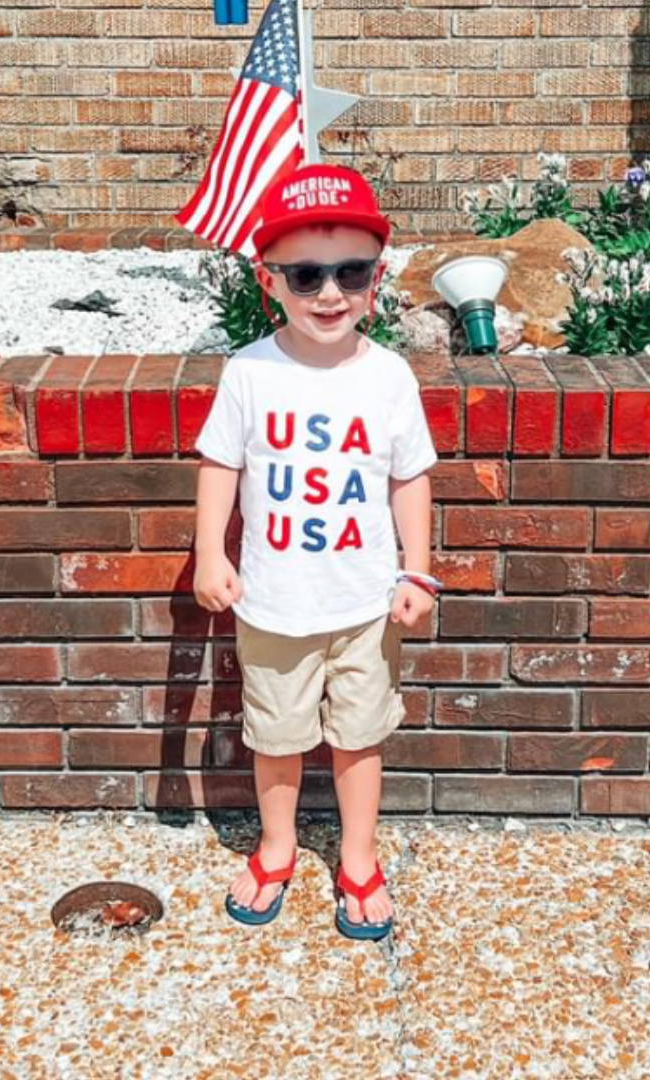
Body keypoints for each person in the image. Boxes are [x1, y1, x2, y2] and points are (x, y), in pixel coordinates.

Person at [192, 163, 438, 941]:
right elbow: (220, 466)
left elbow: (410, 477)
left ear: (376, 279)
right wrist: (209, 553)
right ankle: (278, 847)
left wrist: (417, 567)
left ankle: (358, 858)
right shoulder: (250, 371)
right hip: (273, 604)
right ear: (270, 281)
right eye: (305, 275)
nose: (329, 293)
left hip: (365, 604)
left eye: (350, 273)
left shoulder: (389, 377)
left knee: (359, 739)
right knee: (277, 739)